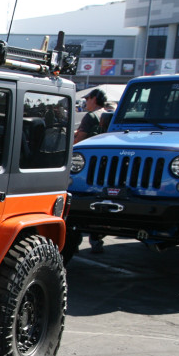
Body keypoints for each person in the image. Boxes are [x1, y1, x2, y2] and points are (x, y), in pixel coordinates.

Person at [74, 88, 110, 253]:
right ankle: (97, 237)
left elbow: (80, 139)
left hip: (86, 164)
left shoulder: (91, 116)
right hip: (103, 165)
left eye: (87, 98)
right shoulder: (108, 114)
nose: (86, 102)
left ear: (94, 99)